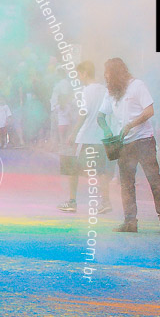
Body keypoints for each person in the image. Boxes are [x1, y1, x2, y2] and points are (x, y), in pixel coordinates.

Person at [98, 58, 160, 235]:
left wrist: (131, 124)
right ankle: (130, 222)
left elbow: (149, 111)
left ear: (116, 73)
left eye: (107, 73)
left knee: (155, 181)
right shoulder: (111, 92)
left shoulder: (137, 86)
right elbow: (100, 116)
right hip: (124, 144)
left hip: (144, 140)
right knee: (126, 184)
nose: (105, 77)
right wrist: (108, 131)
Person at [58, 62, 112, 214]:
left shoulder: (85, 91)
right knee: (101, 171)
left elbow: (83, 113)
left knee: (73, 169)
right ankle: (105, 202)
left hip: (86, 136)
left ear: (84, 73)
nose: (79, 78)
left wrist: (73, 133)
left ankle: (72, 202)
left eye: (79, 74)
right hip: (100, 137)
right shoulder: (104, 90)